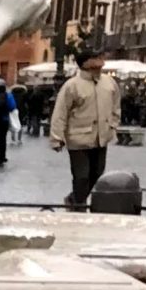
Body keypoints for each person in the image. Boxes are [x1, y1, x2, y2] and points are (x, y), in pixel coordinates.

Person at [49, 53, 120, 212]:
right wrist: (57, 138)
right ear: (85, 63)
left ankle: (74, 199)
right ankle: (78, 206)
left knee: (97, 174)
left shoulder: (109, 83)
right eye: (95, 59)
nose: (100, 62)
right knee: (81, 176)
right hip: (78, 139)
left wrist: (113, 125)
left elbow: (116, 106)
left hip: (101, 137)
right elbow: (61, 112)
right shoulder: (72, 85)